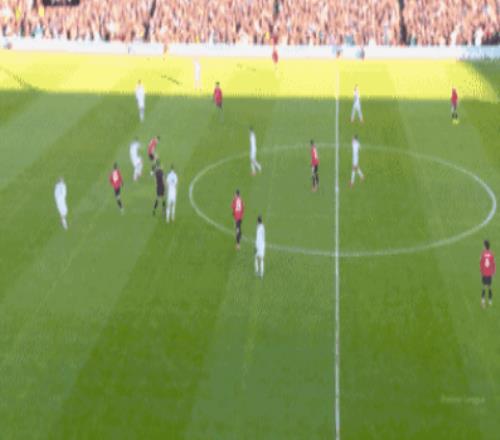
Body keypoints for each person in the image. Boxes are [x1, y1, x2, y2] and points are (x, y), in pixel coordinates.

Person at [480, 240, 496, 308]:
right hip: (489, 273)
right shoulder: (491, 253)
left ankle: (483, 300)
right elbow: (493, 263)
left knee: (484, 287)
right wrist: (494, 271)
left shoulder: (482, 253)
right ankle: (490, 300)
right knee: (489, 287)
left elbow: (481, 263)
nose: (483, 246)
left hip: (484, 273)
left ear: (485, 246)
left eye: (483, 245)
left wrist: (481, 271)